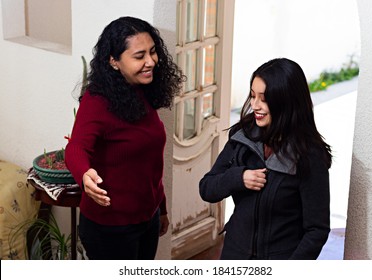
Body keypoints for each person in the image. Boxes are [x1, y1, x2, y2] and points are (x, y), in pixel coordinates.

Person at [65, 16, 185, 260]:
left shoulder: (142, 92)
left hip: (147, 219)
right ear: (114, 61)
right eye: (139, 56)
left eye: (153, 52)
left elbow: (149, 163)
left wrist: (160, 209)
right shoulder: (97, 101)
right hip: (110, 227)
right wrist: (84, 174)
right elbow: (76, 147)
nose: (151, 61)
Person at [199, 58, 332, 260]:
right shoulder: (242, 137)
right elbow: (207, 188)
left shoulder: (309, 156)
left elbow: (317, 230)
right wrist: (238, 178)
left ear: (286, 100)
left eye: (264, 98)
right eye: (252, 96)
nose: (255, 105)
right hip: (234, 254)